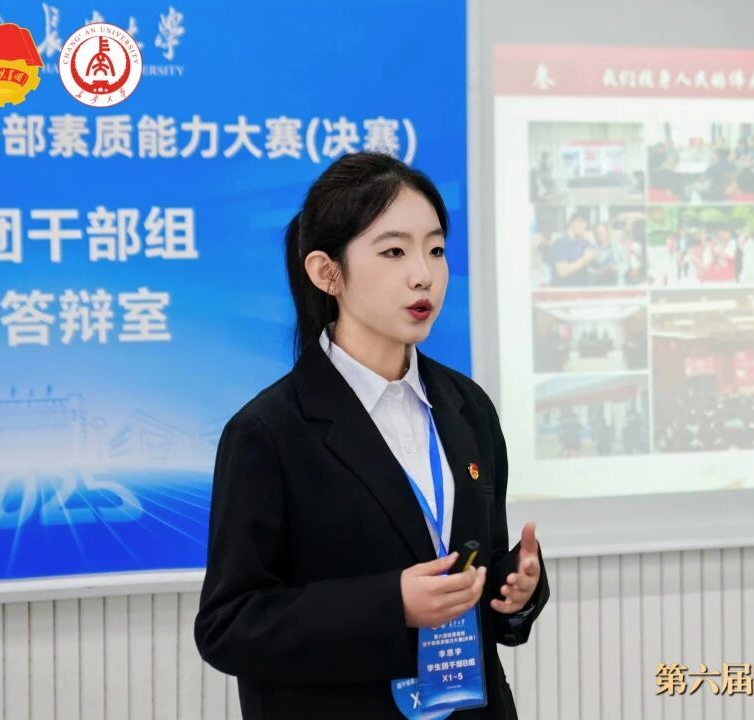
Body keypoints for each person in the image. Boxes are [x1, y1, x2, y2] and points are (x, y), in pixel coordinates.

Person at [195, 153, 550, 719]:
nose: (423, 274)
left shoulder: (468, 407)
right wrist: (392, 605)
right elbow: (228, 625)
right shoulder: (268, 432)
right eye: (394, 252)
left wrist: (514, 592)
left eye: (436, 250)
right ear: (326, 273)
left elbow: (473, 571)